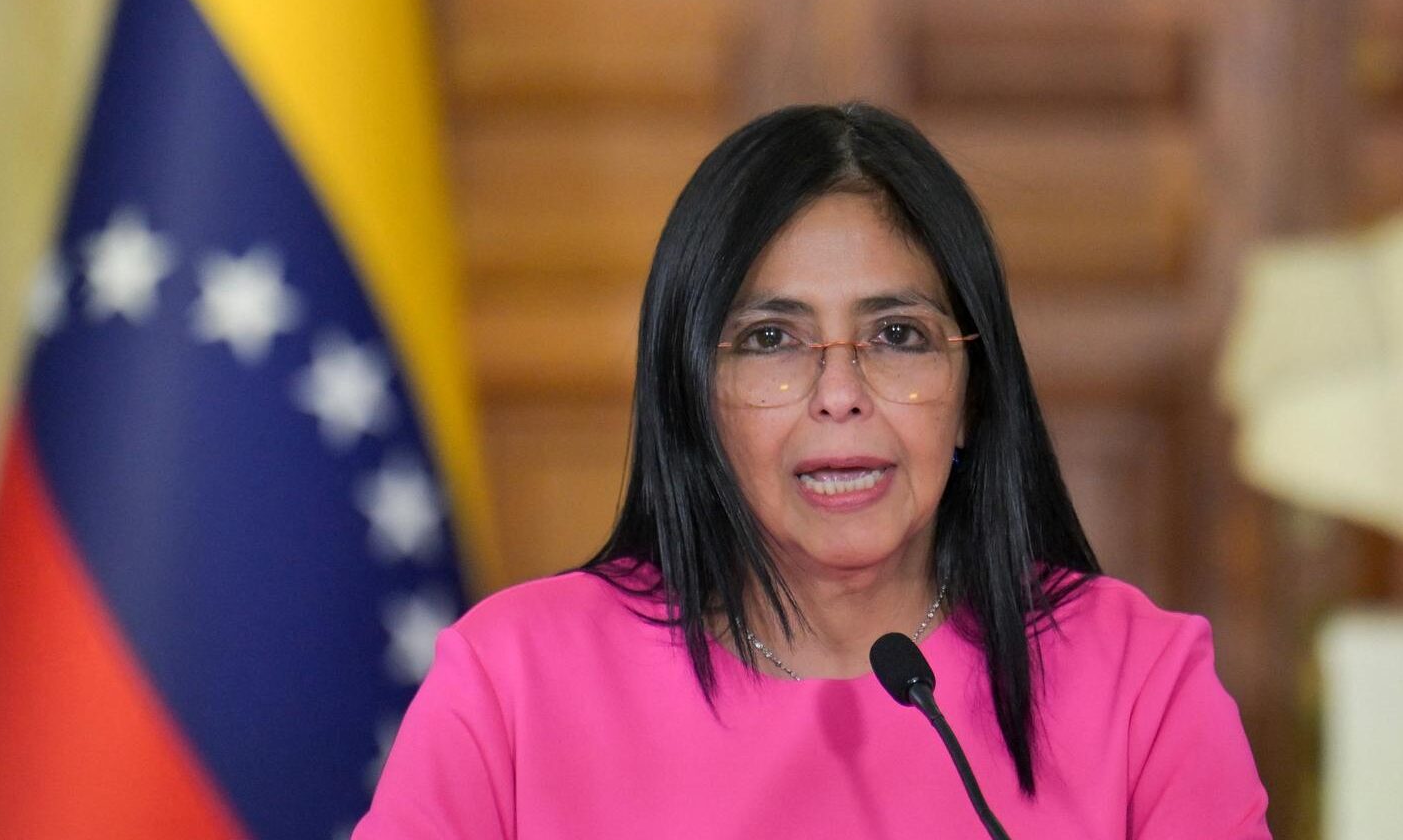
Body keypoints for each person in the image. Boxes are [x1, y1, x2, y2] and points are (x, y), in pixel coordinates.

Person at [356, 103, 1273, 838]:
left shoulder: (1139, 682)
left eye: (897, 336)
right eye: (771, 341)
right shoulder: (514, 679)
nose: (840, 393)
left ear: (975, 389)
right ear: (692, 394)